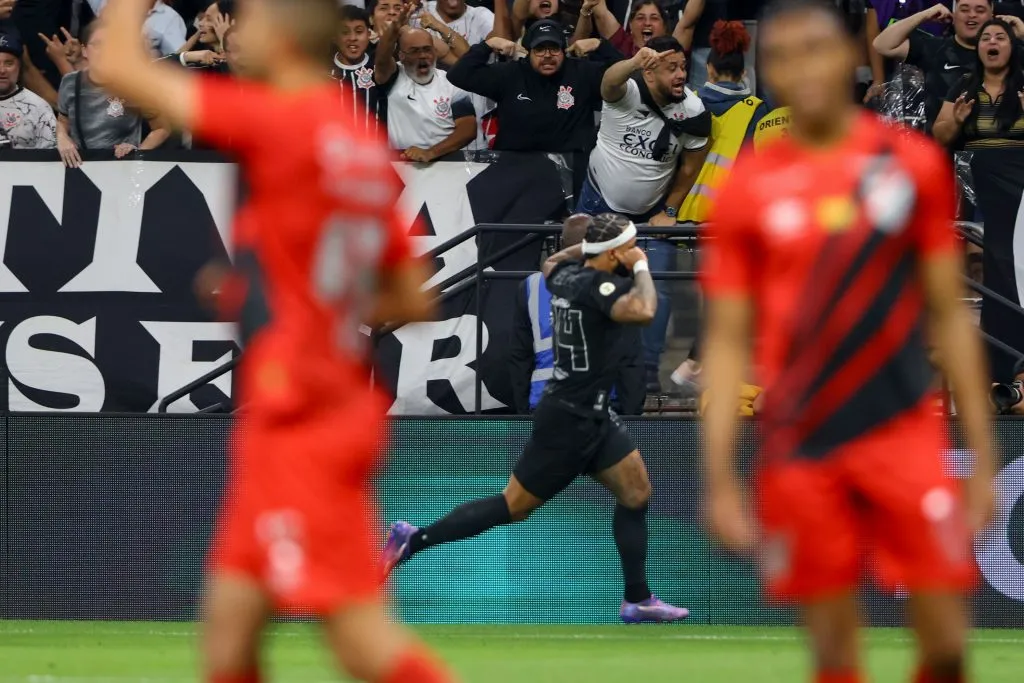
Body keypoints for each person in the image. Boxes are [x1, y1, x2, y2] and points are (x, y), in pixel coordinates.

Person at [90, 1, 457, 682]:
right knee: (229, 635)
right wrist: (288, 298)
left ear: (282, 37)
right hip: (318, 404)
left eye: (246, 18)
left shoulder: (282, 117)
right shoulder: (353, 138)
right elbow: (413, 296)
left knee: (359, 641)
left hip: (303, 416)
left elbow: (113, 64)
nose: (232, 28)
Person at [701, 4, 996, 683]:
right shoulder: (746, 190)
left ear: (848, 60)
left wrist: (981, 451)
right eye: (780, 56)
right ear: (766, 72)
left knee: (948, 649)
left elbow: (949, 313)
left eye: (814, 50)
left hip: (904, 429)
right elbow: (724, 338)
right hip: (802, 442)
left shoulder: (910, 165)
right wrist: (718, 475)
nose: (799, 67)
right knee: (835, 656)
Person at [383, 213, 690, 624]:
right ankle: (412, 539)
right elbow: (646, 309)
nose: (637, 251)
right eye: (631, 245)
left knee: (636, 493)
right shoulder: (598, 285)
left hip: (594, 414)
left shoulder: (562, 277)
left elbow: (551, 262)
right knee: (513, 507)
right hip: (569, 420)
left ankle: (637, 599)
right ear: (616, 254)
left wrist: (592, 247)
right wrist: (640, 265)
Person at [581, 36, 710, 391]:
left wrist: (670, 209)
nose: (681, 75)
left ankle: (647, 377)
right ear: (650, 72)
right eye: (672, 68)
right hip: (598, 205)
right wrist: (635, 60)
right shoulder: (628, 93)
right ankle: (589, 374)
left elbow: (690, 167)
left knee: (659, 291)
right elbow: (608, 80)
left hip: (651, 217)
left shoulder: (694, 111)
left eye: (683, 67)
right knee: (591, 287)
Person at [508, 214, 645, 415]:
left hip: (545, 403)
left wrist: (523, 412)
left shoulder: (531, 287)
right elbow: (630, 357)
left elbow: (520, 357)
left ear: (562, 245)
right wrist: (631, 412)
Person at [678, 20, 767, 223]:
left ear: (709, 69)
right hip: (731, 215)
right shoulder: (757, 109)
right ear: (743, 74)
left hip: (685, 213)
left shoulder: (690, 101)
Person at [56, 21, 170, 168]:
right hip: (82, 167)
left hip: (122, 168)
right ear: (84, 50)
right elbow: (63, 121)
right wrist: (62, 137)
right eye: (97, 45)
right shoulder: (70, 82)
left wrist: (138, 151)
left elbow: (162, 128)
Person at [873, 1, 995, 132]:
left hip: (989, 145)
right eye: (964, 10)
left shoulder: (1004, 53)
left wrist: (1021, 31)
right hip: (943, 146)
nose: (972, 15)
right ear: (953, 16)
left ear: (992, 17)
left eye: (980, 10)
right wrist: (924, 15)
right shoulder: (934, 48)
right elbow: (882, 45)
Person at [374, 25, 477, 161]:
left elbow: (468, 129)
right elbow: (382, 60)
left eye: (427, 49)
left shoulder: (451, 83)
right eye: (414, 51)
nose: (422, 56)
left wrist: (431, 152)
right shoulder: (392, 77)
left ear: (435, 52)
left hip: (447, 164)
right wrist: (393, 30)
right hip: (402, 163)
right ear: (402, 56)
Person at [934, 18, 1024, 148]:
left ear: (1012, 47)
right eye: (986, 38)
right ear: (978, 49)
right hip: (973, 166)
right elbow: (938, 139)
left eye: (1000, 38)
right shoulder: (965, 84)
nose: (992, 41)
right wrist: (956, 121)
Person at [331, 5, 386, 136]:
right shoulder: (321, 72)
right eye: (345, 32)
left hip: (375, 152)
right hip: (335, 153)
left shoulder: (380, 67)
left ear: (369, 34)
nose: (352, 38)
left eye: (359, 31)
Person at [0, 31, 56, 149]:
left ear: (19, 67)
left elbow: (51, 158)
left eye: (9, 63)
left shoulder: (38, 107)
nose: (2, 70)